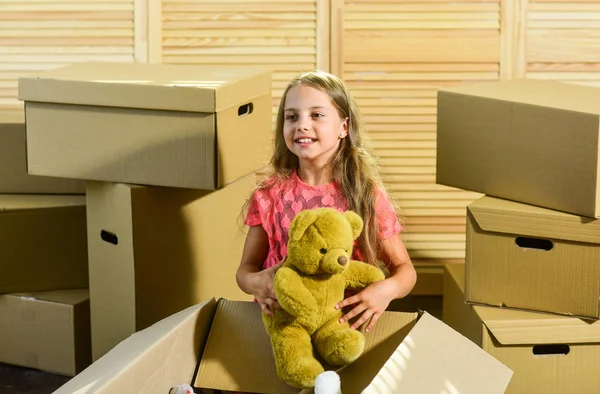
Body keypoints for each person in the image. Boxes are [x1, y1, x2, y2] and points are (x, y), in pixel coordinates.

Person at [236, 70, 417, 333]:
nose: (302, 125)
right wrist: (256, 284)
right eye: (291, 116)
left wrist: (385, 290)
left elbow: (405, 270)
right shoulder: (269, 195)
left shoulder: (365, 194)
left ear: (344, 127)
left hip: (344, 326)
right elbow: (245, 270)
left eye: (316, 115)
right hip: (284, 326)